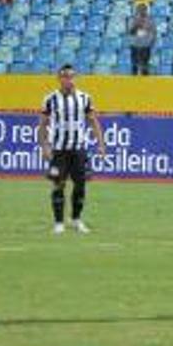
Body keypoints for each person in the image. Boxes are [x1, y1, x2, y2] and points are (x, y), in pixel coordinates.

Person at [39, 64, 106, 234]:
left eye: (72, 77)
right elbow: (43, 124)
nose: (69, 80)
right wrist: (45, 146)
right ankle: (59, 222)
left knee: (81, 185)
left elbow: (93, 121)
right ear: (59, 79)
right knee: (58, 184)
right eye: (66, 77)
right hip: (59, 150)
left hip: (78, 149)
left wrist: (100, 143)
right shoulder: (50, 99)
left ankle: (76, 219)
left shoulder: (84, 98)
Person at [128, 4, 157, 76]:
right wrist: (136, 24)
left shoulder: (150, 20)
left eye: (143, 10)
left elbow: (154, 32)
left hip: (145, 45)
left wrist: (151, 42)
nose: (141, 11)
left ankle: (145, 81)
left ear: (146, 11)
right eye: (139, 9)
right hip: (135, 45)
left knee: (144, 65)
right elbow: (130, 31)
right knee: (134, 64)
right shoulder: (133, 19)